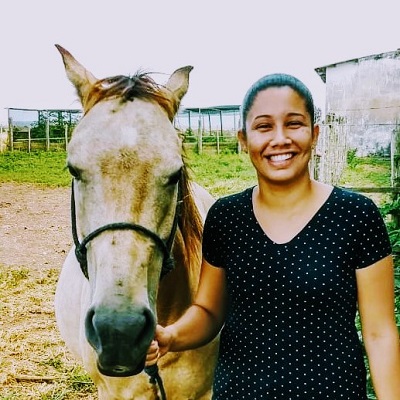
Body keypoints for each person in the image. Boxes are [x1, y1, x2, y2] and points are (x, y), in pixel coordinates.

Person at [146, 73, 400, 399]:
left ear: (315, 134)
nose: (279, 139)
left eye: (294, 124)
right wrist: (171, 336)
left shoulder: (356, 215)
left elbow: (379, 333)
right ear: (243, 139)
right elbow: (209, 312)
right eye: (264, 127)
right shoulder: (226, 217)